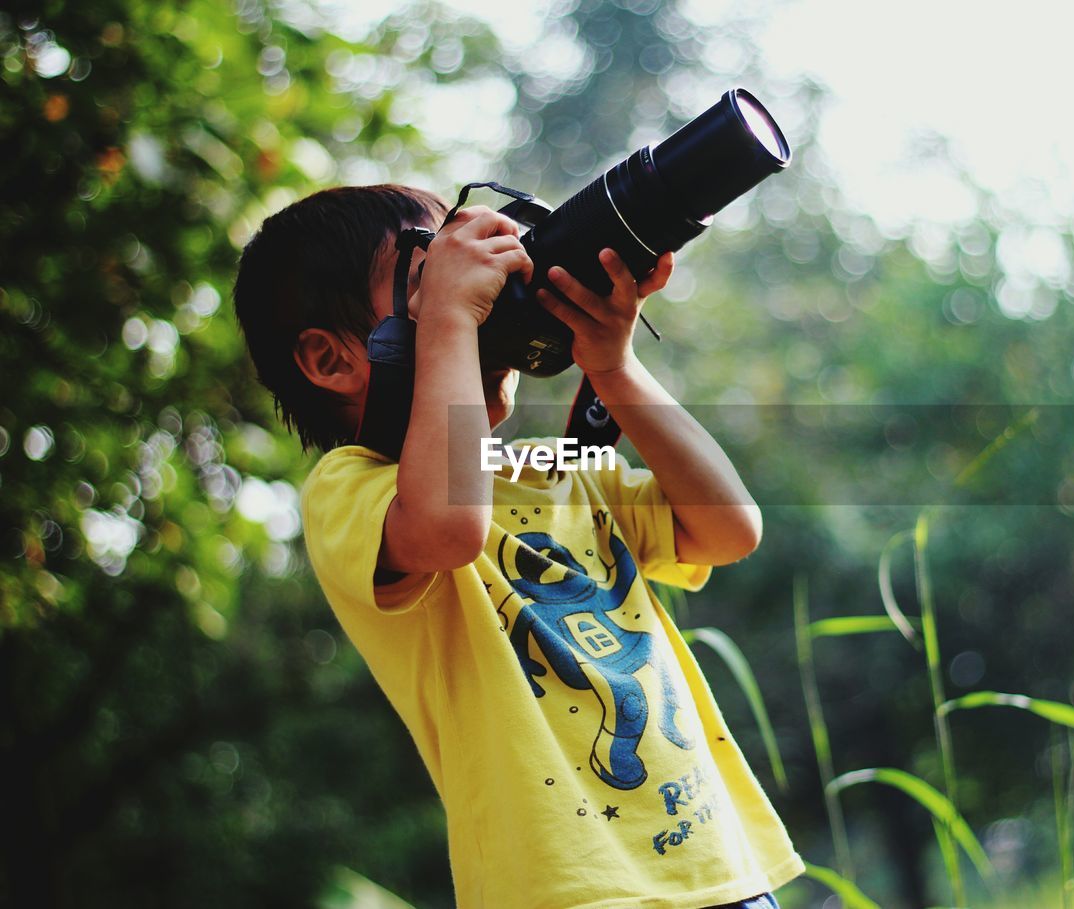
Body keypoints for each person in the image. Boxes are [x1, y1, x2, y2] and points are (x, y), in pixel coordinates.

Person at [233, 184, 803, 909]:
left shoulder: (548, 470)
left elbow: (728, 528)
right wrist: (452, 318)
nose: (483, 300)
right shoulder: (352, 489)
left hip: (713, 865)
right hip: (563, 890)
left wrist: (616, 368)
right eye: (426, 279)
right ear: (330, 358)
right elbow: (448, 526)